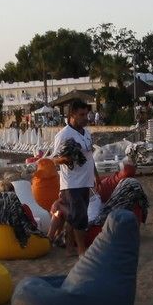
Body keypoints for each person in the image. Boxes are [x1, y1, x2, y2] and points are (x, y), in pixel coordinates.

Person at [50, 99, 98, 250]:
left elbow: (90, 157)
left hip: (87, 181)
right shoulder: (63, 135)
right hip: (72, 183)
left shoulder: (87, 133)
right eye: (82, 114)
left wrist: (96, 175)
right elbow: (54, 159)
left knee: (76, 218)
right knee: (80, 218)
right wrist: (66, 159)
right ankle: (81, 252)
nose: (86, 117)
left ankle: (69, 248)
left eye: (87, 114)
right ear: (72, 115)